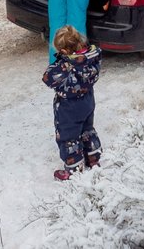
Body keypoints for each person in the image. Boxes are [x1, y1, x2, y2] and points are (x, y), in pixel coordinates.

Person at [43, 25, 102, 181]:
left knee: (69, 137)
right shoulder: (91, 59)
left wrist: (61, 61)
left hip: (69, 109)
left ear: (63, 51)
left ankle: (74, 170)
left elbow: (48, 78)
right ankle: (93, 158)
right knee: (87, 130)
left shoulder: (66, 67)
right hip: (88, 102)